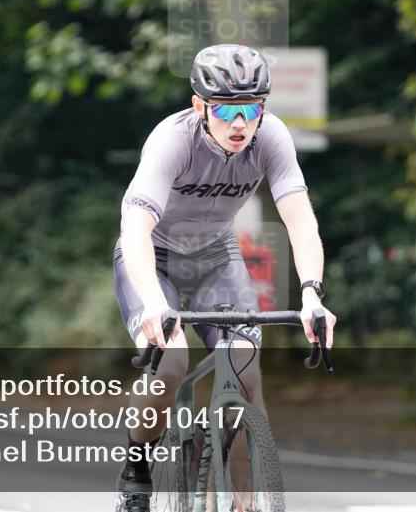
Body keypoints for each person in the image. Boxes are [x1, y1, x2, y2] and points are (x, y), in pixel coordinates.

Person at [113, 44, 336, 512]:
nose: (240, 123)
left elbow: (299, 219)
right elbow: (134, 228)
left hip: (217, 255)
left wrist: (313, 294)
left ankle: (244, 504)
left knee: (245, 370)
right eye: (227, 110)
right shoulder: (171, 141)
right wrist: (154, 303)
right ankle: (137, 468)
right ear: (200, 107)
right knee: (171, 365)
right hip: (154, 259)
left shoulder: (271, 137)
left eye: (251, 108)